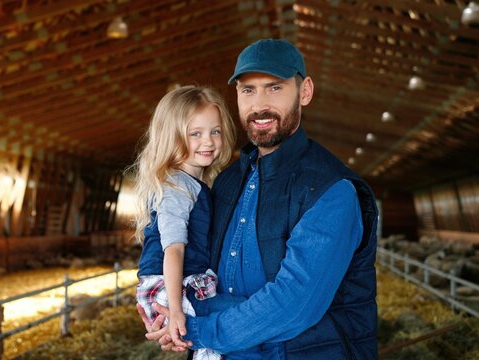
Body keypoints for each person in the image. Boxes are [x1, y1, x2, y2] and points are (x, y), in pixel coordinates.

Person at [139, 39, 379, 359]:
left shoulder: (331, 190)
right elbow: (193, 265)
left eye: (274, 88)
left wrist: (192, 329)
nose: (259, 104)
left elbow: (294, 304)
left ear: (304, 91)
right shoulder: (226, 182)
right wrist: (165, 310)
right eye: (248, 90)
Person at [132, 85, 237, 360]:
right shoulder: (177, 186)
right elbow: (174, 249)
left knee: (217, 337)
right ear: (172, 136)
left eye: (215, 131)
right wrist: (176, 309)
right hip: (169, 284)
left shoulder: (197, 182)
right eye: (195, 134)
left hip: (185, 282)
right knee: (231, 321)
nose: (209, 141)